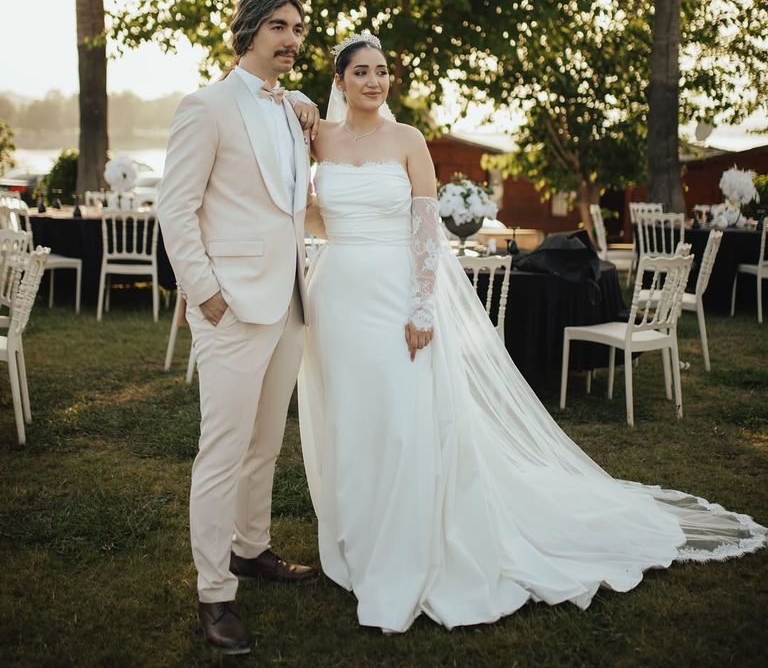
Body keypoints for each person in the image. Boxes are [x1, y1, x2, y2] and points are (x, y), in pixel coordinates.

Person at [298, 32, 767, 633]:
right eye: (361, 71)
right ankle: (356, 531)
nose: (374, 81)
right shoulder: (318, 137)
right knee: (347, 413)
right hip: (337, 295)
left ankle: (407, 539)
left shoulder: (408, 140)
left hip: (395, 296)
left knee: (400, 416)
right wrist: (298, 118)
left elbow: (425, 231)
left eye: (382, 71)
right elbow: (313, 213)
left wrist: (421, 307)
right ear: (339, 81)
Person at [157, 0, 322, 655]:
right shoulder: (206, 107)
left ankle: (251, 548)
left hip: (289, 302)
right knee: (222, 449)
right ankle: (214, 592)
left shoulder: (293, 109)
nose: (292, 39)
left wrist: (303, 103)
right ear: (250, 30)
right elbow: (175, 207)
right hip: (230, 304)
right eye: (280, 26)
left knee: (265, 442)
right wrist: (206, 292)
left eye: (299, 29)